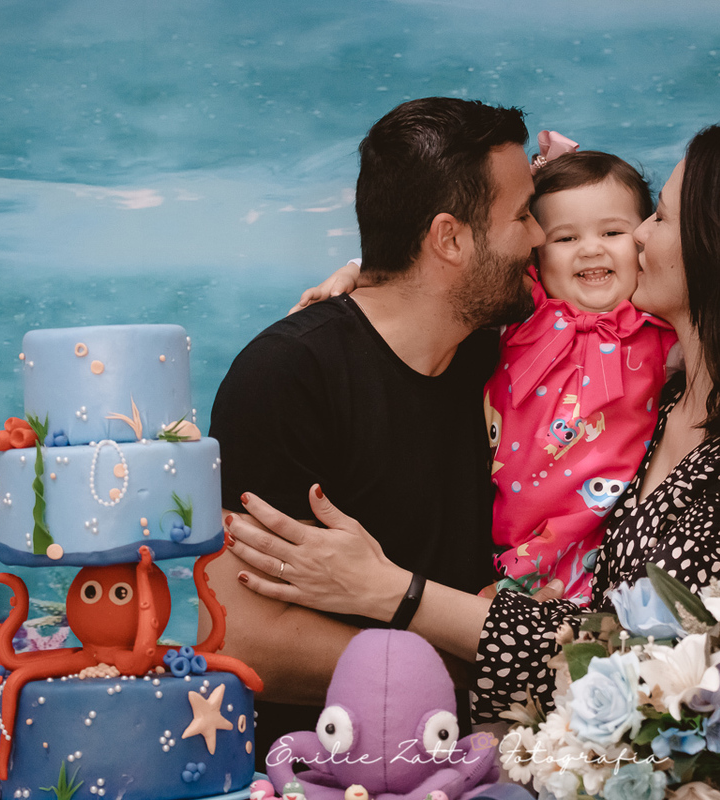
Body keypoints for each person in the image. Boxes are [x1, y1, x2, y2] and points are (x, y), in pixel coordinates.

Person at [225, 123, 720, 722]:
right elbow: (458, 268)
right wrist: (366, 281)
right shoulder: (664, 401)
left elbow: (679, 676)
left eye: (658, 217)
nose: (636, 236)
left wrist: (394, 593)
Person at [203, 97, 545, 751]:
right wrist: (484, 666)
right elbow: (243, 635)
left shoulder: (504, 352)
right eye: (523, 216)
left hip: (478, 768)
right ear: (449, 239)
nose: (538, 238)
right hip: (325, 772)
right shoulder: (288, 374)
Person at [484, 141, 680, 607]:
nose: (591, 249)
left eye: (612, 231)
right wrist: (358, 271)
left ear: (644, 241)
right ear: (535, 253)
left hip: (604, 556)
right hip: (502, 547)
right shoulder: (520, 311)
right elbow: (449, 274)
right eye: (566, 238)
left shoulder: (661, 332)